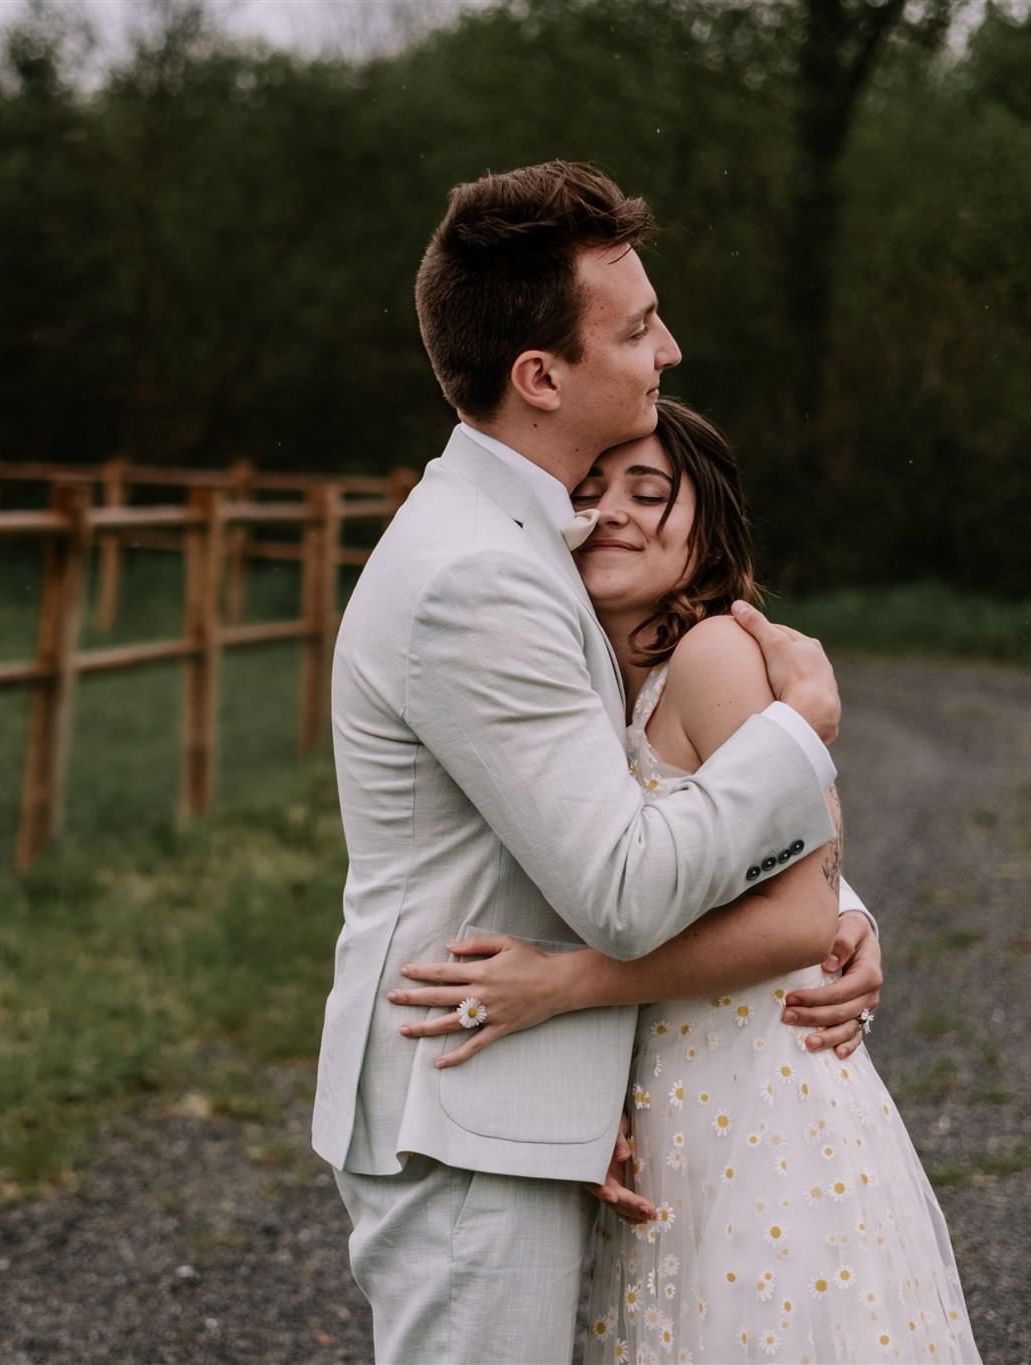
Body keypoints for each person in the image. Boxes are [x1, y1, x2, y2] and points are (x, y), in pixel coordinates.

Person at [312, 161, 884, 1363]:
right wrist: (799, 733)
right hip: (466, 1102)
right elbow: (620, 888)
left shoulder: (528, 543)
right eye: (634, 328)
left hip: (509, 1104)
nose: (666, 348)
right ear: (540, 376)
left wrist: (825, 901)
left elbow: (630, 773)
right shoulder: (480, 576)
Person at [391, 399, 982, 1363]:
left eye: (648, 490)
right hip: (666, 1105)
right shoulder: (595, 686)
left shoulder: (710, 656)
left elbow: (796, 915)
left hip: (755, 1108)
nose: (611, 509)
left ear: (707, 530)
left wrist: (563, 985)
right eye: (589, 492)